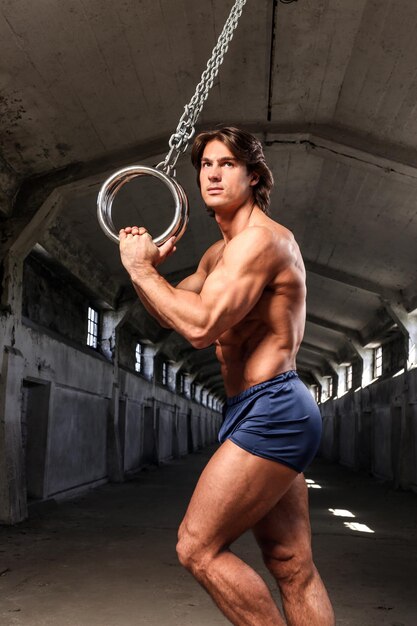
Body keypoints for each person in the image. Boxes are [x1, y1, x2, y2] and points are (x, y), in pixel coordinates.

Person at [119, 127, 335, 626]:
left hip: (275, 408)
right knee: (291, 563)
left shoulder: (261, 242)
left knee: (196, 546)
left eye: (228, 164)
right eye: (206, 165)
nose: (213, 173)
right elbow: (170, 312)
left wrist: (141, 272)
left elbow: (197, 329)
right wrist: (147, 268)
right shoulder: (220, 253)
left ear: (253, 175)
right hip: (254, 408)